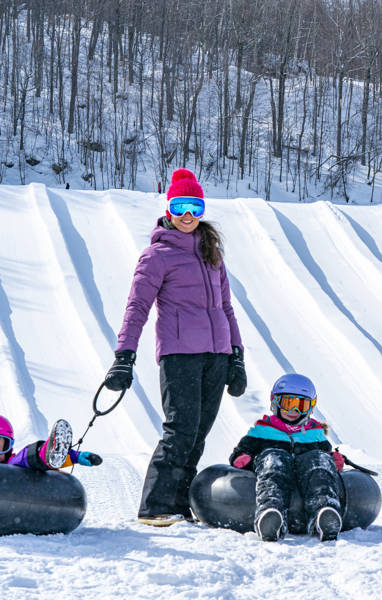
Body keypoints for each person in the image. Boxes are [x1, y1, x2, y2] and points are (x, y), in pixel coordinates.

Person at [104, 167, 247, 527]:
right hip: (180, 354)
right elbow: (136, 307)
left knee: (199, 432)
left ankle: (180, 504)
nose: (187, 216)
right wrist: (124, 356)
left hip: (216, 355)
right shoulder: (157, 256)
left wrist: (237, 355)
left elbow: (226, 308)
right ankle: (154, 506)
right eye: (181, 207)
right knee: (180, 429)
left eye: (195, 208)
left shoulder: (212, 253)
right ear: (168, 209)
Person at [229, 373, 346, 542]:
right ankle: (271, 515)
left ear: (310, 407)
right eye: (288, 404)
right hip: (275, 471)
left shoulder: (315, 435)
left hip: (307, 476)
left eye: (301, 405)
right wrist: (243, 458)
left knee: (318, 460)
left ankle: (324, 513)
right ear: (275, 402)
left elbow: (326, 457)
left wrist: (332, 459)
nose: (293, 411)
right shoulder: (262, 432)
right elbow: (238, 453)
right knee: (274, 459)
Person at [0, 405, 102, 471]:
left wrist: (76, 457)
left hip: (8, 478)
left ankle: (50, 452)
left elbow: (24, 459)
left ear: (9, 447)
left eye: (0, 445)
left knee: (25, 459)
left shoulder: (11, 461)